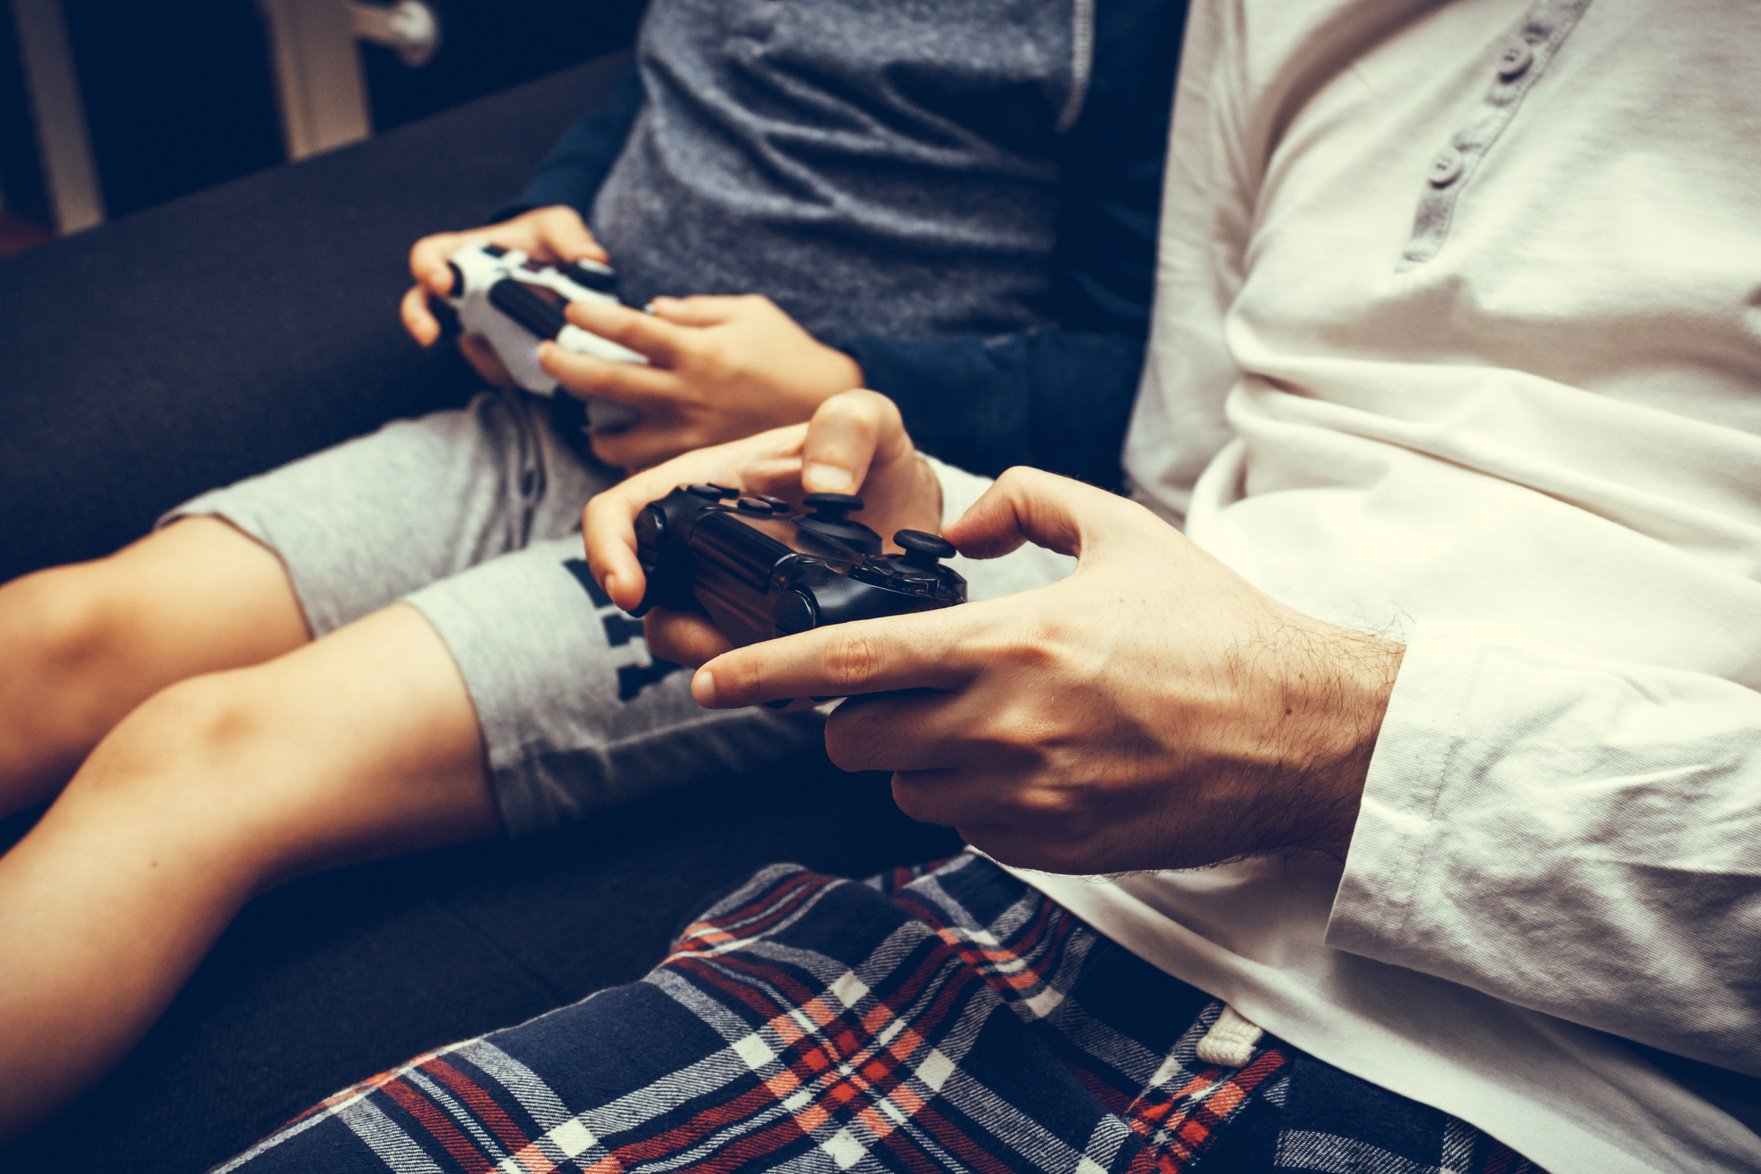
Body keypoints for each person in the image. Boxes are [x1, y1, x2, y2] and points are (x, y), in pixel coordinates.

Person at [216, 0, 1761, 1170]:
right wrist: (938, 536)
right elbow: (1192, 482)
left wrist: (1337, 748)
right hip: (993, 926)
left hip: (1547, 1101)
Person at [0, 0, 1185, 1137]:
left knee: (202, 753)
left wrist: (838, 370)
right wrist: (545, 216)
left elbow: (1142, 380)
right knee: (49, 638)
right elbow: (665, 90)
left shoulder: (1156, 23)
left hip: (773, 525)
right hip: (558, 414)